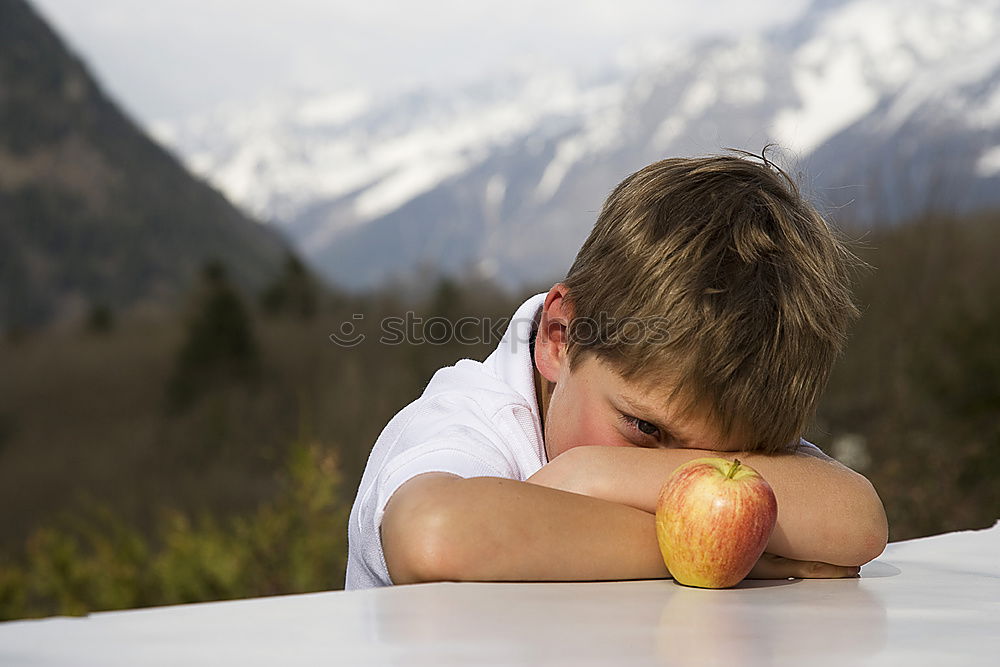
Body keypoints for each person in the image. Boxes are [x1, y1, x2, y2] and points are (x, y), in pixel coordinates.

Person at [345, 153, 888, 589]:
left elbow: (857, 520)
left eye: (717, 459)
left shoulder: (667, 408)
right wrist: (727, 555)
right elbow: (432, 534)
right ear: (560, 337)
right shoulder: (467, 423)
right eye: (645, 430)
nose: (681, 477)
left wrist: (598, 473)